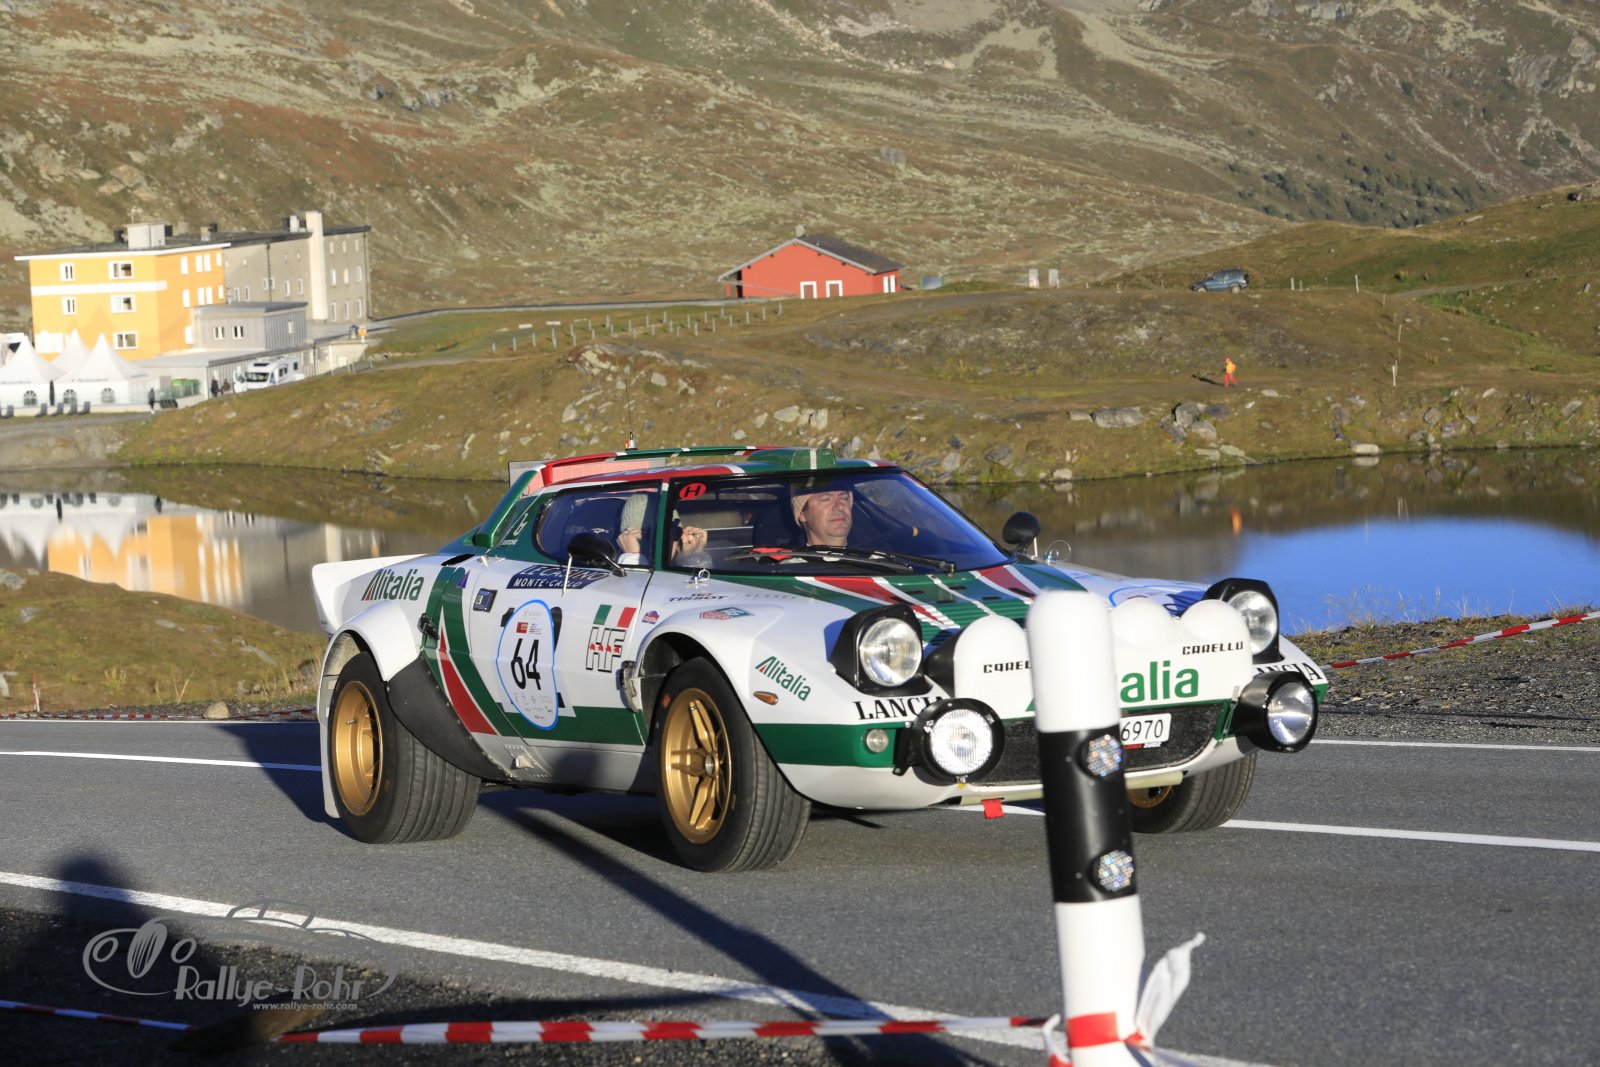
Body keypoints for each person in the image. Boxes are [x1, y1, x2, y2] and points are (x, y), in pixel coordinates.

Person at [791, 482, 853, 547]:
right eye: (825, 499)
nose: (840, 506)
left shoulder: (861, 553)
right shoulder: (790, 553)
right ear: (802, 514)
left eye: (844, 498)